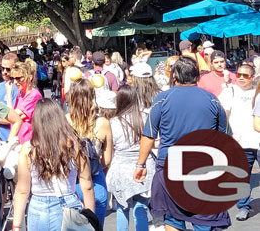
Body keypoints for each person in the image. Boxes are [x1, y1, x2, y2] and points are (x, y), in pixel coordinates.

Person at [133, 57, 231, 231]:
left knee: (171, 218)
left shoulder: (162, 99)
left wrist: (140, 164)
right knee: (204, 221)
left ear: (174, 76)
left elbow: (148, 135)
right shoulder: (212, 100)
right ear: (197, 76)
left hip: (171, 168)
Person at [12, 99, 95, 231]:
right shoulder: (76, 146)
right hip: (68, 205)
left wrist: (16, 225)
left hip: (38, 208)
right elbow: (87, 185)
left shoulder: (28, 149)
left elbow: (22, 190)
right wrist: (90, 216)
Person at [106, 85, 155, 231]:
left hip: (121, 167)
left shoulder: (114, 122)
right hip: (144, 165)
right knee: (141, 207)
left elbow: (111, 147)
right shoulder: (145, 118)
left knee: (122, 207)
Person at [66, 79, 112, 225]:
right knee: (96, 226)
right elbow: (107, 160)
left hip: (71, 184)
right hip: (95, 181)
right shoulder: (103, 123)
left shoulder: (64, 121)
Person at [217, 63, 259, 221]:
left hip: (258, 141)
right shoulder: (230, 91)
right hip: (239, 142)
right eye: (239, 75)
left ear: (252, 78)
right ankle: (243, 206)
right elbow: (223, 115)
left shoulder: (258, 92)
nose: (241, 78)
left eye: (245, 75)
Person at [7, 62, 42, 143]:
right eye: (13, 79)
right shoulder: (20, 94)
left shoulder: (34, 95)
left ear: (29, 78)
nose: (15, 82)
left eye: (19, 78)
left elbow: (12, 116)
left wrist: (8, 94)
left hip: (27, 140)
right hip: (18, 139)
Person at [0, 52, 19, 141]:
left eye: (8, 69)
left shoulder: (18, 89)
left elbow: (14, 118)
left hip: (10, 138)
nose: (4, 72)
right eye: (2, 68)